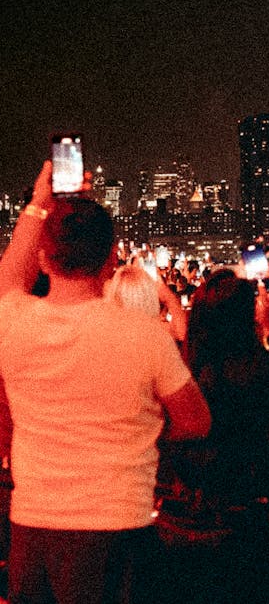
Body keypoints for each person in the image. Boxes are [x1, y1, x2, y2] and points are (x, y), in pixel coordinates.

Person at [0, 160, 211, 604]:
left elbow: (9, 279)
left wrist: (39, 203)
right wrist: (145, 430)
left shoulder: (13, 322)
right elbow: (196, 421)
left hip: (33, 529)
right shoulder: (144, 334)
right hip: (119, 526)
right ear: (112, 257)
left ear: (43, 259)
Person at [156, 268, 269, 604]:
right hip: (241, 521)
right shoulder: (257, 370)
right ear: (244, 319)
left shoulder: (183, 370)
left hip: (181, 519)